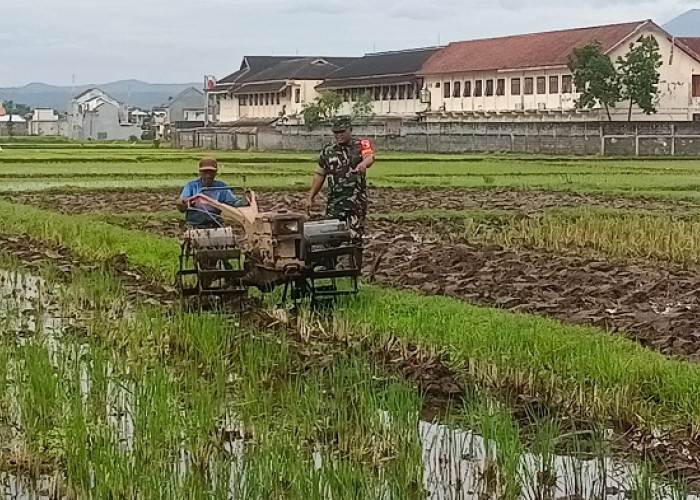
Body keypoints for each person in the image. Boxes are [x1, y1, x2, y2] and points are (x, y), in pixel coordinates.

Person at [305, 116, 375, 248]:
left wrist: (363, 164)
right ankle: (331, 267)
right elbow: (320, 174)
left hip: (356, 202)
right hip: (335, 202)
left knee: (355, 238)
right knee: (331, 237)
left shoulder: (361, 145)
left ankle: (354, 267)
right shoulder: (328, 151)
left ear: (350, 130)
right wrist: (311, 197)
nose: (339, 135)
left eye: (342, 132)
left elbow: (370, 157)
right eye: (336, 133)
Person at [177, 158, 247, 228]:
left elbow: (232, 203)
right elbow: (183, 204)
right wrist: (182, 204)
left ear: (216, 173)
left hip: (215, 224)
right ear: (200, 173)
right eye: (205, 172)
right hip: (194, 224)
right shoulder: (191, 186)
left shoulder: (221, 187)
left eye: (211, 172)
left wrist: (244, 201)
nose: (208, 175)